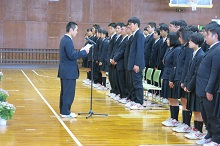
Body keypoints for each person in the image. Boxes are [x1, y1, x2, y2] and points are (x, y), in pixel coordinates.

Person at [58, 22, 90, 118]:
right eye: (76, 30)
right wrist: (84, 52)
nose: (77, 32)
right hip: (68, 71)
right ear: (71, 30)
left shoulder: (65, 39)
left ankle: (63, 110)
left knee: (65, 92)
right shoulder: (67, 40)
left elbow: (70, 54)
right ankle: (66, 112)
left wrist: (80, 52)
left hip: (66, 71)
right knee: (68, 93)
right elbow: (72, 56)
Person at [196, 23, 220, 146]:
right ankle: (209, 135)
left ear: (215, 35)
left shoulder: (218, 50)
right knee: (206, 115)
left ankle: (216, 139)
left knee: (212, 116)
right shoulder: (211, 48)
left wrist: (209, 90)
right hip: (202, 89)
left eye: (207, 35)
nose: (205, 38)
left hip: (208, 90)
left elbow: (215, 72)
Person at [183, 32, 205, 140]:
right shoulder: (194, 53)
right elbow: (189, 71)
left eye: (191, 40)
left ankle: (199, 131)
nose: (189, 42)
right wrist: (186, 84)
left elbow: (197, 73)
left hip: (197, 86)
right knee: (194, 109)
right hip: (192, 86)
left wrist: (189, 86)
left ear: (197, 42)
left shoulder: (201, 55)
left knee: (198, 109)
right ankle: (195, 129)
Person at [161, 32, 181, 126]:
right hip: (166, 74)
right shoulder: (169, 49)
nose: (167, 41)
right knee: (169, 98)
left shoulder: (177, 50)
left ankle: (175, 119)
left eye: (168, 39)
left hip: (171, 76)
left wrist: (171, 79)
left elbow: (175, 65)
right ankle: (172, 117)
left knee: (173, 98)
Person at [126, 17, 145, 110]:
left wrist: (137, 64)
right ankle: (134, 100)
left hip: (136, 64)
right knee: (132, 83)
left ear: (136, 24)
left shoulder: (140, 34)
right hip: (131, 63)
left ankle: (139, 102)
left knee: (137, 83)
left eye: (130, 24)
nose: (129, 26)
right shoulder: (134, 35)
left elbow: (140, 51)